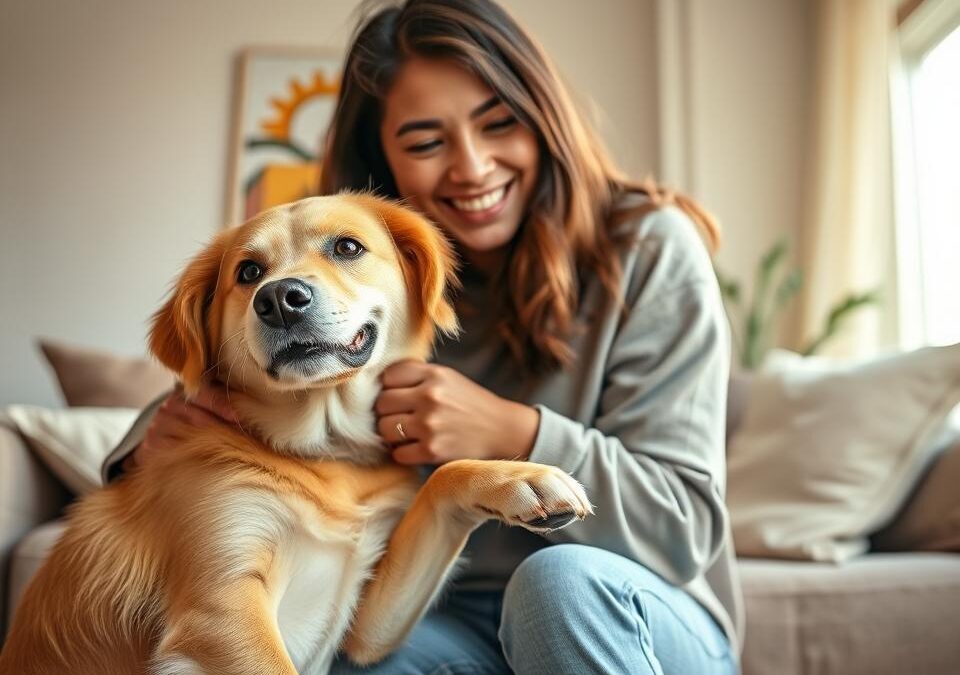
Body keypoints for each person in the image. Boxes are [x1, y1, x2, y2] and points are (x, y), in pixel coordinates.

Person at [104, 1, 742, 672]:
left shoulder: (648, 247)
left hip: (629, 607)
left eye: (500, 123)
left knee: (555, 585)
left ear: (545, 121)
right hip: (446, 616)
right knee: (343, 650)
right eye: (426, 142)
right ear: (382, 157)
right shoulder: (365, 269)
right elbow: (234, 378)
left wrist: (510, 430)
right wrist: (157, 430)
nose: (471, 167)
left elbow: (684, 530)